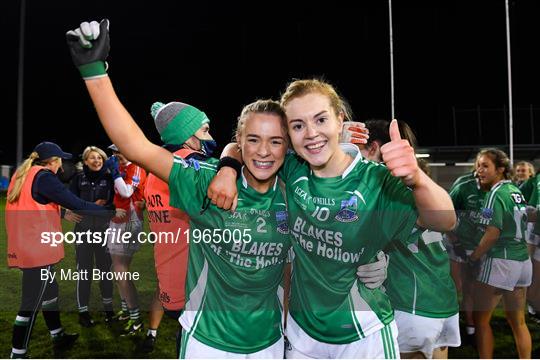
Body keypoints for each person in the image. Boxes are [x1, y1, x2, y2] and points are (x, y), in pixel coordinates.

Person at [65, 20, 299, 357]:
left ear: (287, 145)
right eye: (253, 140)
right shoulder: (204, 181)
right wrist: (94, 73)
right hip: (208, 343)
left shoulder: (294, 189)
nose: (264, 150)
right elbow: (136, 147)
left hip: (271, 343)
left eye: (276, 141)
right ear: (239, 142)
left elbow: (291, 268)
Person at [207, 79, 456, 358]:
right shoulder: (292, 167)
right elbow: (241, 146)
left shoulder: (375, 180)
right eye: (298, 125)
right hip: (303, 333)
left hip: (363, 333)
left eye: (321, 119)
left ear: (340, 120)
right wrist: (227, 169)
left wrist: (417, 179)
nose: (311, 133)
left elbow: (444, 221)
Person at [343, 119, 460, 358]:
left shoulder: (385, 193)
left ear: (373, 148)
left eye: (356, 150)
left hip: (411, 302)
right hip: (441, 299)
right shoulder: (416, 187)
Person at [5, 142, 118, 358]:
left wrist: (60, 213)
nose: (62, 165)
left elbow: (29, 205)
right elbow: (77, 203)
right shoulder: (45, 176)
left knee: (50, 293)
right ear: (54, 161)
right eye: (61, 160)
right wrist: (108, 210)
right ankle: (17, 353)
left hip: (27, 245)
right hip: (37, 250)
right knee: (30, 303)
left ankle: (57, 335)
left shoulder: (25, 174)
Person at [142, 100, 217, 354]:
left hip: (169, 275)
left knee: (187, 337)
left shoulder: (155, 171)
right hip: (194, 279)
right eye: (205, 130)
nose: (210, 137)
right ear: (186, 135)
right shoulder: (192, 165)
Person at [470, 148, 532, 359]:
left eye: (485, 166)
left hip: (502, 261)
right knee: (518, 321)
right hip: (523, 262)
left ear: (501, 169)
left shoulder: (495, 193)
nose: (479, 170)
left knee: (481, 320)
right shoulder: (516, 190)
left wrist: (474, 256)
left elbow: (491, 234)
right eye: (478, 165)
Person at [68, 145, 118, 327]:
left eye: (100, 158)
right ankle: (83, 312)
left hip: (104, 231)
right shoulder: (78, 179)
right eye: (92, 158)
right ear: (85, 161)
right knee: (84, 272)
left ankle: (108, 310)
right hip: (83, 232)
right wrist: (95, 206)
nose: (96, 161)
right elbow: (70, 202)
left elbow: (113, 206)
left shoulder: (110, 179)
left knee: (106, 272)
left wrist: (94, 207)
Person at [105, 144, 147, 335]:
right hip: (118, 220)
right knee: (118, 269)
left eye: (118, 151)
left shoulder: (135, 167)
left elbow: (127, 192)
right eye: (113, 152)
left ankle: (136, 318)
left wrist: (114, 173)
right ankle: (127, 309)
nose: (115, 155)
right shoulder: (122, 168)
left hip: (129, 221)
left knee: (121, 270)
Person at [446, 154, 486, 344]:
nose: (482, 170)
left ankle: (473, 325)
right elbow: (446, 216)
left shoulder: (497, 189)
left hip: (483, 247)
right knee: (456, 287)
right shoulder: (463, 186)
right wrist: (455, 242)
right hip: (460, 244)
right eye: (480, 165)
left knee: (474, 289)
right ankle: (456, 324)